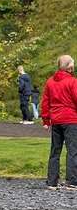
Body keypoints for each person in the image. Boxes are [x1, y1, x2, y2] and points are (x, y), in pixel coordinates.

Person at [41, 55, 77, 190]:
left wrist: (46, 119)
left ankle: (52, 182)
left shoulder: (50, 82)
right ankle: (72, 181)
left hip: (56, 120)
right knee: (73, 151)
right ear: (69, 66)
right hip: (71, 120)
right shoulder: (73, 82)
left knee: (55, 151)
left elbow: (45, 102)